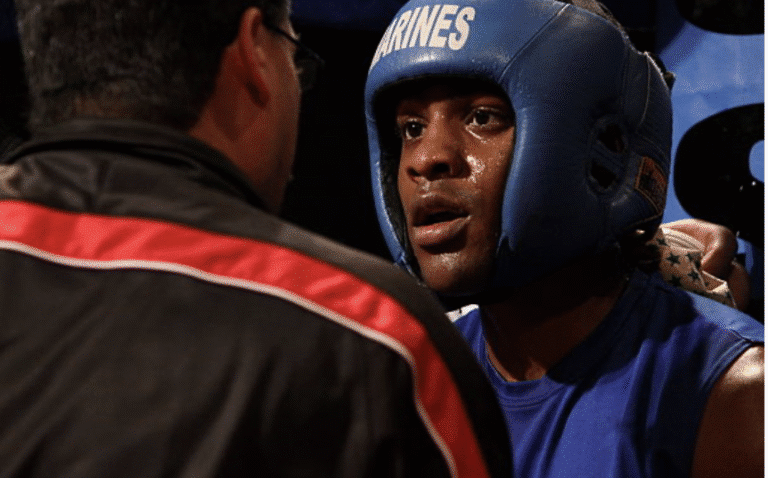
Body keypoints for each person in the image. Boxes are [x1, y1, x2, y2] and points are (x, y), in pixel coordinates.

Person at [0, 1, 513, 476]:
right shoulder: (371, 336)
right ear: (253, 52)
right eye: (295, 58)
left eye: (482, 118)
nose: (426, 160)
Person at [363, 0, 764, 477]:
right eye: (411, 128)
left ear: (605, 147)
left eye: (483, 118)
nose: (426, 159)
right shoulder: (418, 382)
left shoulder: (728, 389)